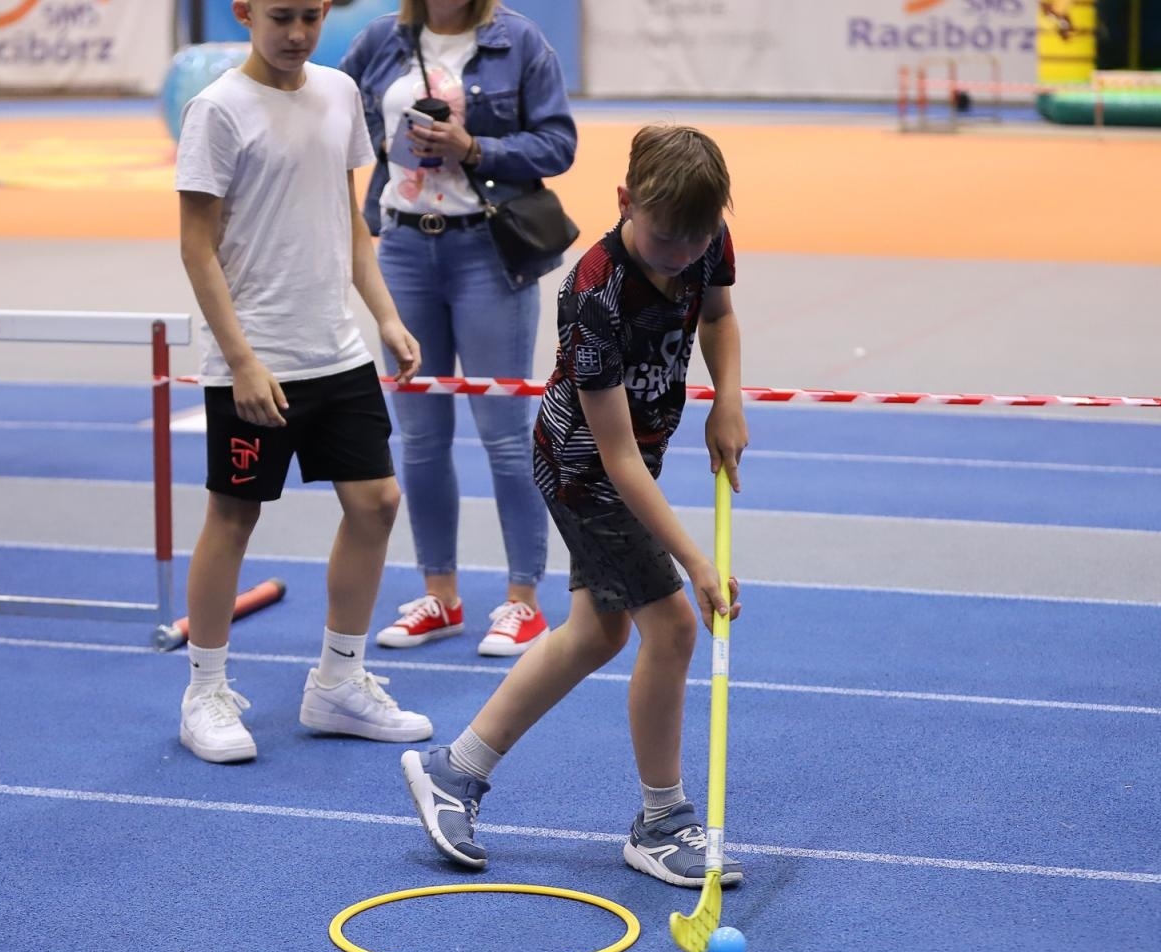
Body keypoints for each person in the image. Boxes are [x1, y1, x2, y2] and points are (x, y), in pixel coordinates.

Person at [400, 125, 749, 887]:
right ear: (626, 202)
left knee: (595, 634)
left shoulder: (702, 231)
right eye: (666, 240)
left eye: (696, 241)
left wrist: (727, 401)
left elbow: (718, 317)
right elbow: (616, 458)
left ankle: (455, 770)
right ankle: (662, 821)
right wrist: (694, 560)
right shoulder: (593, 292)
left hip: (635, 457)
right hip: (586, 468)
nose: (682, 256)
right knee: (675, 626)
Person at [174, 0, 433, 764]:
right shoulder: (217, 109)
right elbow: (197, 248)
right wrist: (243, 359)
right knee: (233, 518)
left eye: (311, 18)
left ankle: (338, 684)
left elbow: (349, 221)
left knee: (378, 502)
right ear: (244, 12)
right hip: (256, 359)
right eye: (281, 17)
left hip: (336, 351)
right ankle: (205, 691)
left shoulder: (338, 93)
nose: (296, 34)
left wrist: (384, 317)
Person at [340, 0, 576, 658]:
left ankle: (523, 601)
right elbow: (333, 117)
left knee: (504, 435)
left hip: (487, 252)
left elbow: (559, 144)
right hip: (404, 250)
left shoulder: (519, 41)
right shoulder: (380, 41)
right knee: (418, 438)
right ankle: (439, 596)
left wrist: (475, 147)